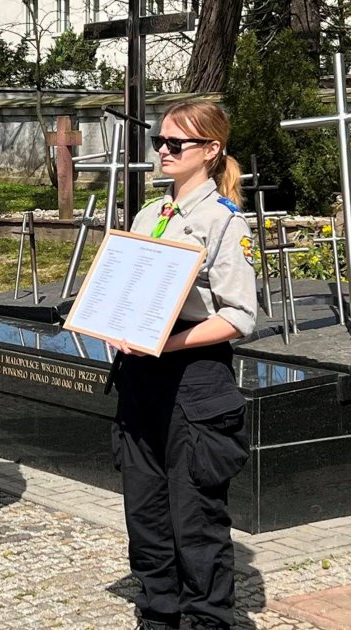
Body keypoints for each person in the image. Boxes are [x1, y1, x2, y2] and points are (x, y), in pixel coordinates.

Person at [109, 100, 258, 630]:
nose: (165, 150)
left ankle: (207, 619)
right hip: (141, 378)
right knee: (145, 512)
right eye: (160, 142)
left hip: (193, 377)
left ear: (211, 150)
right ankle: (158, 614)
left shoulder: (223, 221)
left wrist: (164, 344)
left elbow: (240, 317)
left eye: (178, 143)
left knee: (195, 518)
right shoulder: (151, 214)